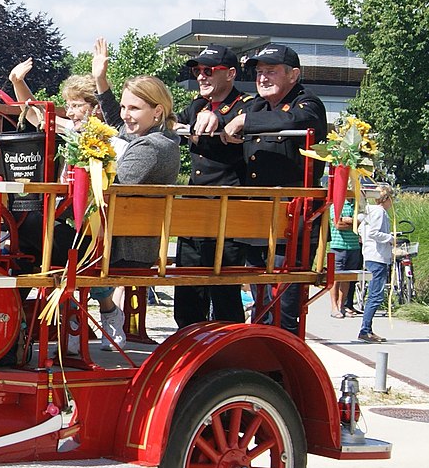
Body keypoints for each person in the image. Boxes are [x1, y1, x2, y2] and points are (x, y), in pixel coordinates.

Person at [223, 43, 328, 333]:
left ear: (293, 75)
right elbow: (226, 119)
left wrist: (245, 121)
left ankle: (283, 371)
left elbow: (301, 121)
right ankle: (261, 366)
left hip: (291, 225)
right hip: (257, 222)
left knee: (282, 308)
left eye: (271, 71)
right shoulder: (256, 105)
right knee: (259, 306)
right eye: (259, 72)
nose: (263, 78)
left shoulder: (307, 104)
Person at [85, 76, 181, 350]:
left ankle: (92, 317)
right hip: (116, 239)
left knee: (46, 244)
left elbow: (112, 185)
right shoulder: (149, 138)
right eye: (124, 107)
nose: (126, 115)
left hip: (128, 249)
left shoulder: (153, 146)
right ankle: (98, 315)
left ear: (158, 111)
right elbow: (117, 128)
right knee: (42, 239)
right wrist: (101, 79)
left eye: (134, 109)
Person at [174, 44, 252, 328]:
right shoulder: (197, 105)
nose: (201, 76)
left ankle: (229, 358)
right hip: (194, 210)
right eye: (198, 70)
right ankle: (187, 351)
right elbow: (172, 122)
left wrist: (220, 119)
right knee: (187, 290)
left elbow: (244, 129)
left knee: (224, 297)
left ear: (230, 74)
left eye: (209, 70)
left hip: (226, 214)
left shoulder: (247, 105)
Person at [357, 184, 395, 343]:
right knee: (376, 295)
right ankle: (365, 330)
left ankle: (367, 329)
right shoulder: (379, 212)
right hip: (378, 256)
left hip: (371, 254)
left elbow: (362, 230)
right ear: (386, 199)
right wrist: (390, 239)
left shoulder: (370, 211)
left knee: (374, 294)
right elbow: (374, 233)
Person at [329, 199, 363, 318]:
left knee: (347, 277)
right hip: (338, 246)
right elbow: (338, 224)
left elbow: (364, 222)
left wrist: (349, 221)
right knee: (335, 278)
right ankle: (334, 307)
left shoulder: (358, 205)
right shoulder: (337, 204)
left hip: (354, 246)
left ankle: (342, 306)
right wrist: (355, 223)